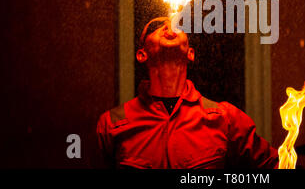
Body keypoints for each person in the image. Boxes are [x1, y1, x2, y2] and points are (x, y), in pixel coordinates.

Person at [96, 17, 278, 169]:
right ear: (142, 55)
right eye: (155, 27)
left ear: (191, 53)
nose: (169, 25)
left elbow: (277, 165)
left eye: (178, 25)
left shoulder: (225, 118)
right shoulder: (112, 124)